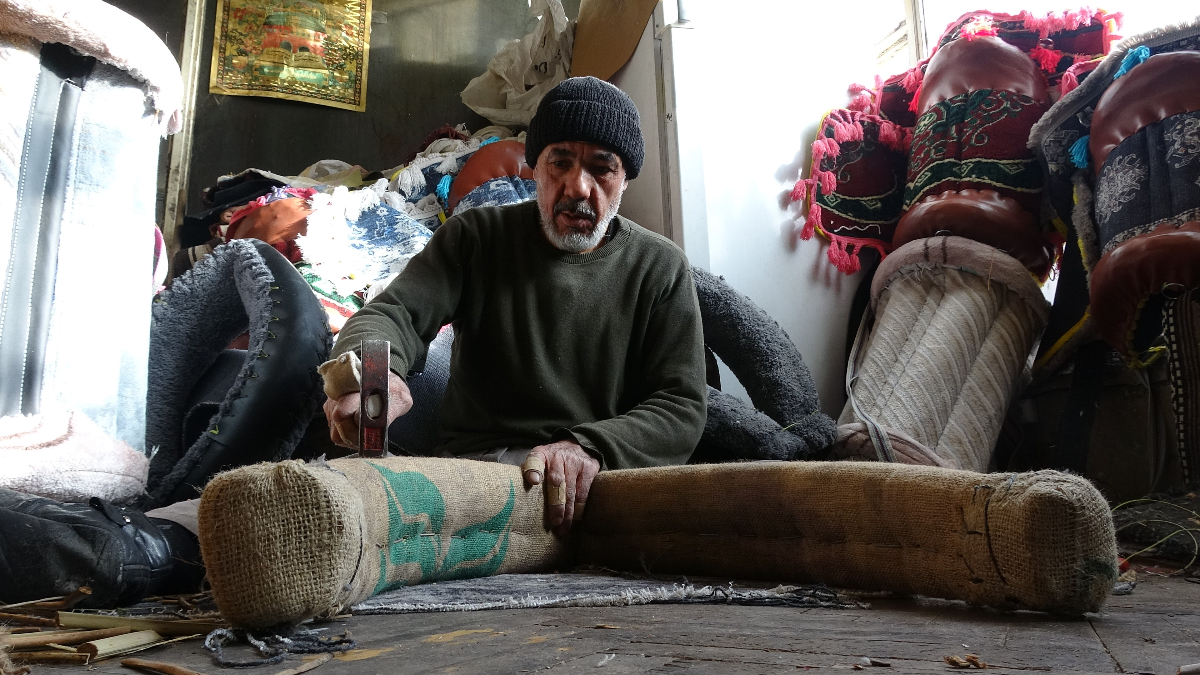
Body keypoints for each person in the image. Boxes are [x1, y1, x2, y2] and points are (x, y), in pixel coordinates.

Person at [321, 76, 708, 536]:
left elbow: (681, 404)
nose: (577, 187)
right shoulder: (475, 238)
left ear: (625, 180)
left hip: (597, 474)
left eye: (601, 169)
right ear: (534, 167)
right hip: (478, 470)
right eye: (559, 163)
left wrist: (587, 447)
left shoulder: (660, 267)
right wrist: (374, 371)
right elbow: (394, 313)